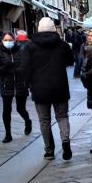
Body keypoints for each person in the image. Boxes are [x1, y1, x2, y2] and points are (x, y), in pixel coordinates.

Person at [21, 17, 74, 160]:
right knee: (62, 116)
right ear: (53, 29)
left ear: (38, 29)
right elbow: (70, 61)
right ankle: (65, 141)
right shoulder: (62, 45)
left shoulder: (30, 46)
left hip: (40, 88)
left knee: (44, 120)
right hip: (60, 86)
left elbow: (25, 68)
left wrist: (27, 86)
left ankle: (49, 150)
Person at [0, 32, 31, 143]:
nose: (8, 42)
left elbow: (25, 66)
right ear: (2, 41)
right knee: (6, 110)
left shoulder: (21, 51)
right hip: (6, 84)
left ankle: (28, 121)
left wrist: (19, 70)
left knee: (21, 108)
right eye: (6, 40)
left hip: (20, 83)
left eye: (10, 40)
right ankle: (8, 134)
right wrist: (6, 66)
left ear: (14, 40)